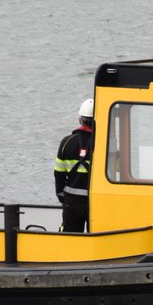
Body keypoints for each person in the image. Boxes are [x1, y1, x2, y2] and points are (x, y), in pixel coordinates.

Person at [54, 98, 94, 232]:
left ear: (80, 119)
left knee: (70, 237)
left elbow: (58, 173)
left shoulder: (66, 142)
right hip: (95, 201)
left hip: (71, 201)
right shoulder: (103, 143)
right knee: (96, 235)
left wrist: (61, 195)